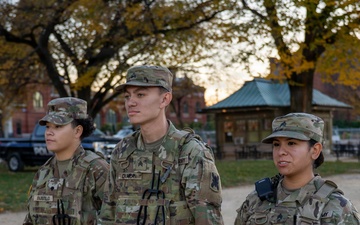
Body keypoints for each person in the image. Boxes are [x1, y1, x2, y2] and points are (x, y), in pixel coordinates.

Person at [99, 65, 224, 224]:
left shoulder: (190, 152)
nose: (130, 102)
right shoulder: (122, 151)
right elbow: (107, 216)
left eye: (140, 94)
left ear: (164, 99)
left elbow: (207, 220)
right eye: (127, 96)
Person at [234, 112, 360, 225]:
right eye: (276, 144)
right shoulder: (257, 199)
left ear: (315, 150)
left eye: (291, 143)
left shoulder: (336, 207)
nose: (281, 152)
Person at [23, 97, 110, 225]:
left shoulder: (96, 169)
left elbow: (116, 217)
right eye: (48, 127)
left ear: (77, 131)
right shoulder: (43, 172)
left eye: (58, 126)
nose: (49, 133)